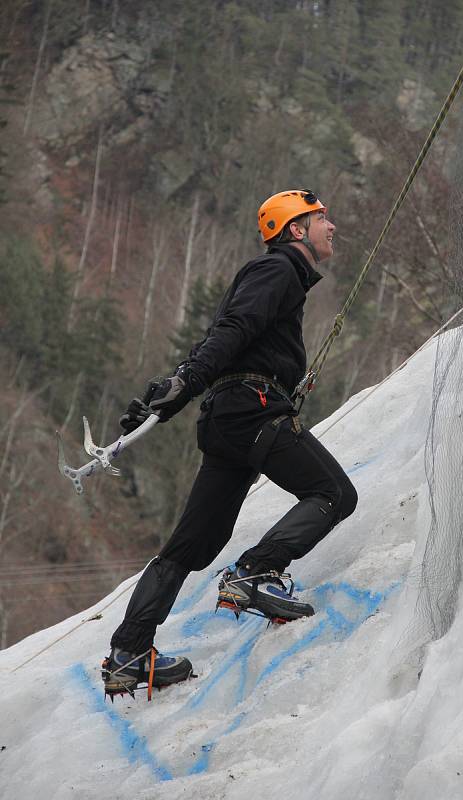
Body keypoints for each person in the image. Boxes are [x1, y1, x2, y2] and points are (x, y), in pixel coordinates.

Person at [101, 189, 358, 698]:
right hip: (251, 409)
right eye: (321, 216)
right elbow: (235, 329)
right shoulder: (278, 269)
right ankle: (255, 573)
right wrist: (184, 379)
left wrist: (176, 391)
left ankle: (128, 653)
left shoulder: (278, 276)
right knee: (334, 493)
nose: (331, 224)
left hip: (228, 417)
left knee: (191, 546)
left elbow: (226, 333)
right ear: (295, 230)